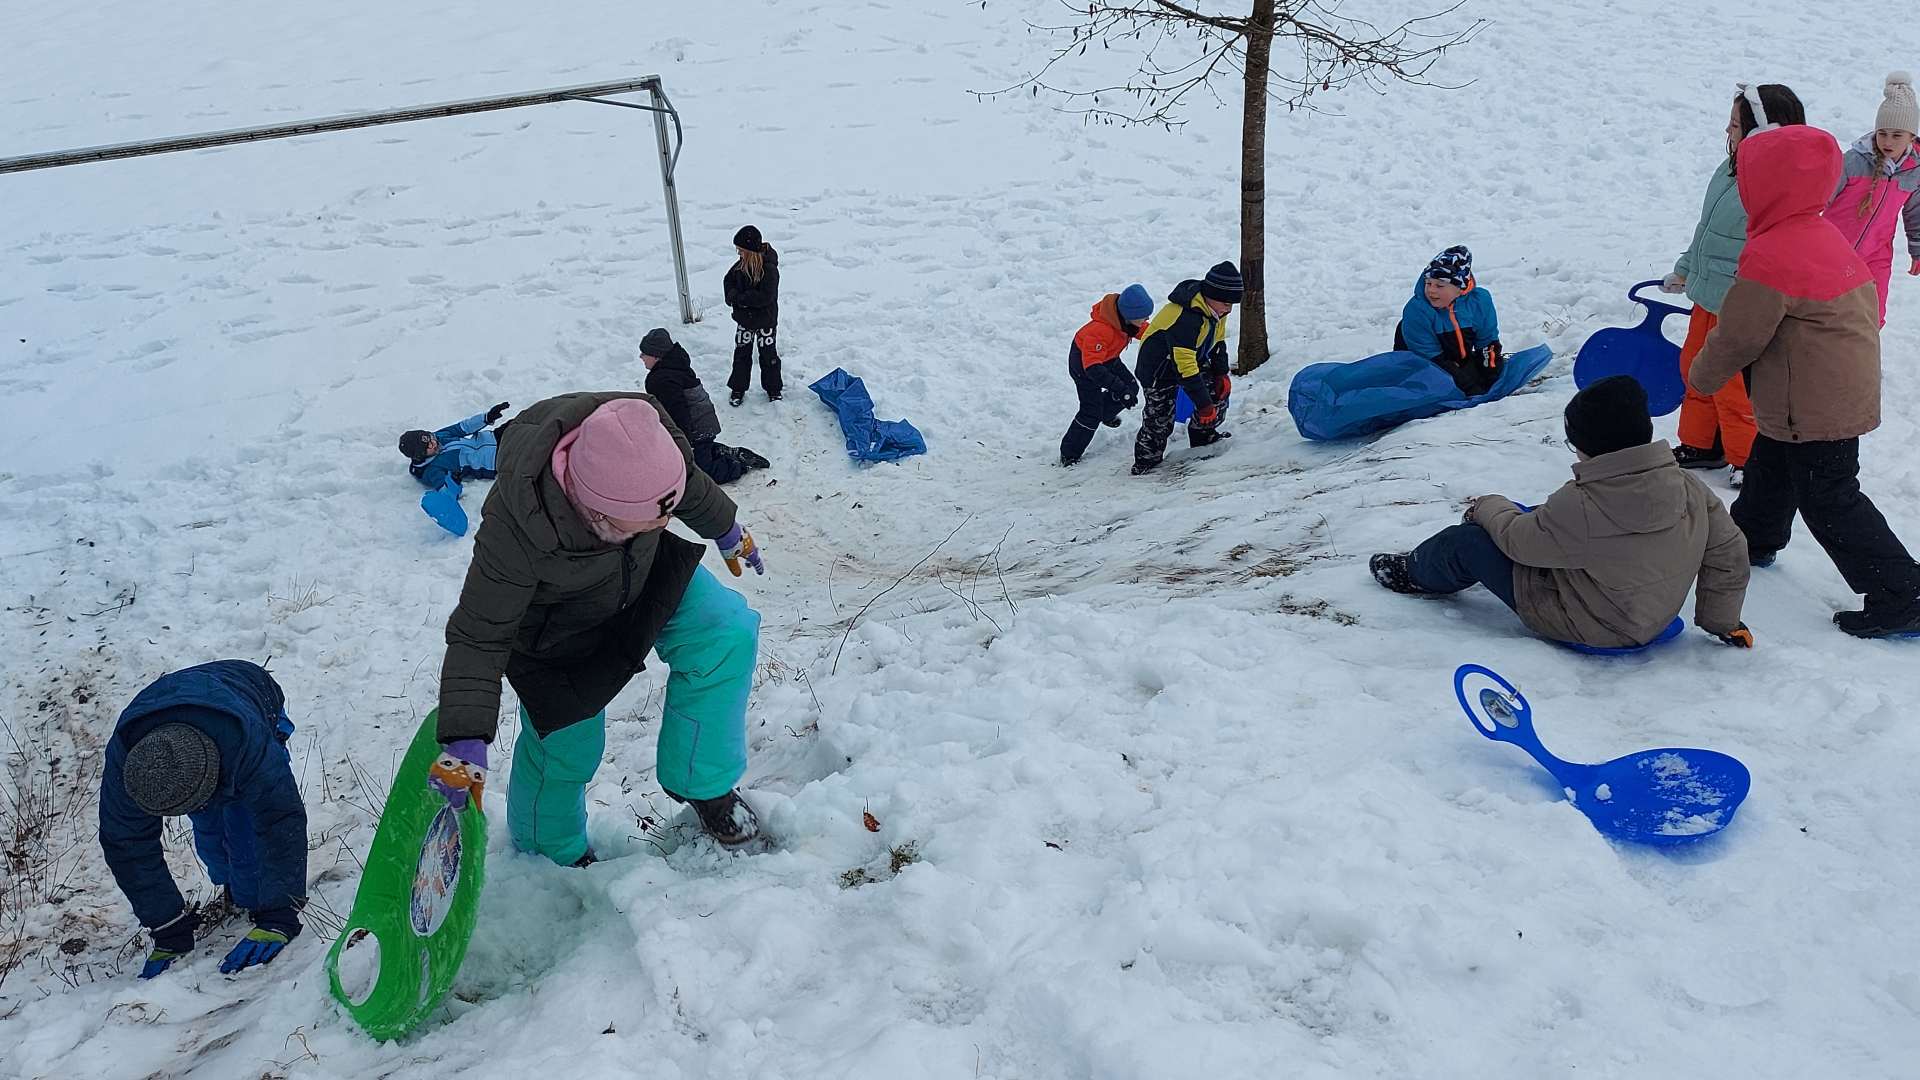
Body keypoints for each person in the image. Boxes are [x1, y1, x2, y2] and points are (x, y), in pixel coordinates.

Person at [429, 392, 770, 863]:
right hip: (557, 630)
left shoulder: (641, 437)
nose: (665, 521)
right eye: (649, 518)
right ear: (596, 511)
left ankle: (702, 780)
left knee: (724, 631)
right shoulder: (516, 530)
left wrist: (725, 527)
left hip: (640, 573)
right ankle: (549, 852)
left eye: (665, 514)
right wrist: (465, 732)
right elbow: (479, 632)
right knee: (568, 748)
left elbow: (684, 484)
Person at [1688, 122, 1920, 638]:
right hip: (1825, 389)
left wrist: (1700, 377)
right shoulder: (1821, 234)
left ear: (1766, 187)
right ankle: (1753, 537)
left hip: (1815, 403)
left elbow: (1740, 336)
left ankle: (1903, 592)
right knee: (1772, 462)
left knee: (1830, 496)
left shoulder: (1772, 253)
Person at [1369, 376, 1753, 650]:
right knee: (1534, 516)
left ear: (1587, 447)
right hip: (1650, 616)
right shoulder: (1687, 486)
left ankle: (1414, 572)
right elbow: (1728, 552)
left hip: (1586, 623)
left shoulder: (1582, 504)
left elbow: (1519, 544)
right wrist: (1723, 622)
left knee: (1467, 541)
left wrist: (1486, 506)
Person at [98, 660, 307, 979]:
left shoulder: (247, 743)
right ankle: (232, 889)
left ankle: (248, 895)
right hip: (177, 711)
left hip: (250, 688)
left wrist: (280, 915)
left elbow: (280, 819)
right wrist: (167, 928)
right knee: (213, 842)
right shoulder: (129, 763)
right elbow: (126, 844)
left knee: (247, 849)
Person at [1659, 84, 1803, 485]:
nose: (1727, 130)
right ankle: (1701, 444)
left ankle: (1746, 459)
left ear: (1764, 131)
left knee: (1734, 385)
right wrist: (1686, 269)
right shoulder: (1729, 169)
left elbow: (1779, 250)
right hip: (1707, 297)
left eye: (1736, 124)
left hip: (1740, 307)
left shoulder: (1776, 185)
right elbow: (1706, 230)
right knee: (1695, 367)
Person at [1822, 72, 1920, 326]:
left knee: (1871, 315)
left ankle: (1862, 351)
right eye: (1882, 133)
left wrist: (1917, 249)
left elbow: (1915, 213)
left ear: (1912, 137)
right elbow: (1821, 198)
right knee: (1825, 310)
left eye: (1897, 135)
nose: (1887, 141)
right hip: (1832, 250)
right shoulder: (1854, 162)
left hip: (1876, 255)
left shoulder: (1914, 171)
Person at [1132, 262, 1240, 475]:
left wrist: (1221, 374)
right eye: (1226, 303)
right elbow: (1185, 367)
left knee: (1216, 393)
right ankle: (1146, 461)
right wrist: (1203, 405)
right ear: (1211, 295)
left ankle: (1203, 437)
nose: (1229, 309)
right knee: (1160, 418)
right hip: (1158, 370)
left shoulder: (1216, 311)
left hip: (1192, 358)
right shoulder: (1185, 318)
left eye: (1232, 304)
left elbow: (1218, 342)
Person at [639, 328, 771, 485]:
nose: (641, 357)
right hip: (703, 423)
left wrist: (683, 442)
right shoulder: (673, 366)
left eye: (644, 353)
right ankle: (716, 451)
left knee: (703, 474)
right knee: (699, 455)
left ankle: (740, 465)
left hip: (697, 428)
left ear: (656, 356)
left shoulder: (663, 379)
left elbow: (678, 413)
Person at [1060, 284, 1152, 466]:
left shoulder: (1126, 321)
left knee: (1130, 388)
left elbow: (1148, 332)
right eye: (1143, 317)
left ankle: (1105, 413)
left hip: (1108, 358)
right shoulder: (1100, 330)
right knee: (1090, 412)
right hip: (1085, 368)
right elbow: (1093, 368)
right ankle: (1069, 454)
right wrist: (1118, 389)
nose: (1146, 320)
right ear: (1129, 316)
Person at [1395, 245, 1502, 396]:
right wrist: (1468, 388)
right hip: (1422, 367)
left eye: (1439, 285)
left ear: (1460, 289)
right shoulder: (1417, 311)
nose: (1431, 290)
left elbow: (1487, 343)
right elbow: (1431, 359)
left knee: (1489, 378)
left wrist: (1492, 378)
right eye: (1428, 283)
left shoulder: (1479, 302)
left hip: (1458, 362)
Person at [399, 402, 512, 536]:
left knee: (523, 424)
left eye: (430, 438)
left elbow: (463, 427)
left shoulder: (439, 436)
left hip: (493, 437)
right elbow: (447, 489)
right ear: (420, 455)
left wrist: (486, 417)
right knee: (528, 448)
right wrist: (452, 482)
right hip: (494, 458)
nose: (433, 443)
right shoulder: (433, 470)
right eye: (428, 447)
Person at [724, 225, 782, 406]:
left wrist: (741, 299)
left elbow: (765, 296)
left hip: (765, 320)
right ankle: (738, 388)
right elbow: (728, 281)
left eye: (741, 250)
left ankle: (773, 389)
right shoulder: (739, 267)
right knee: (741, 355)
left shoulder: (769, 269)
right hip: (745, 320)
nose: (739, 254)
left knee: (768, 355)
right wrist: (732, 296)